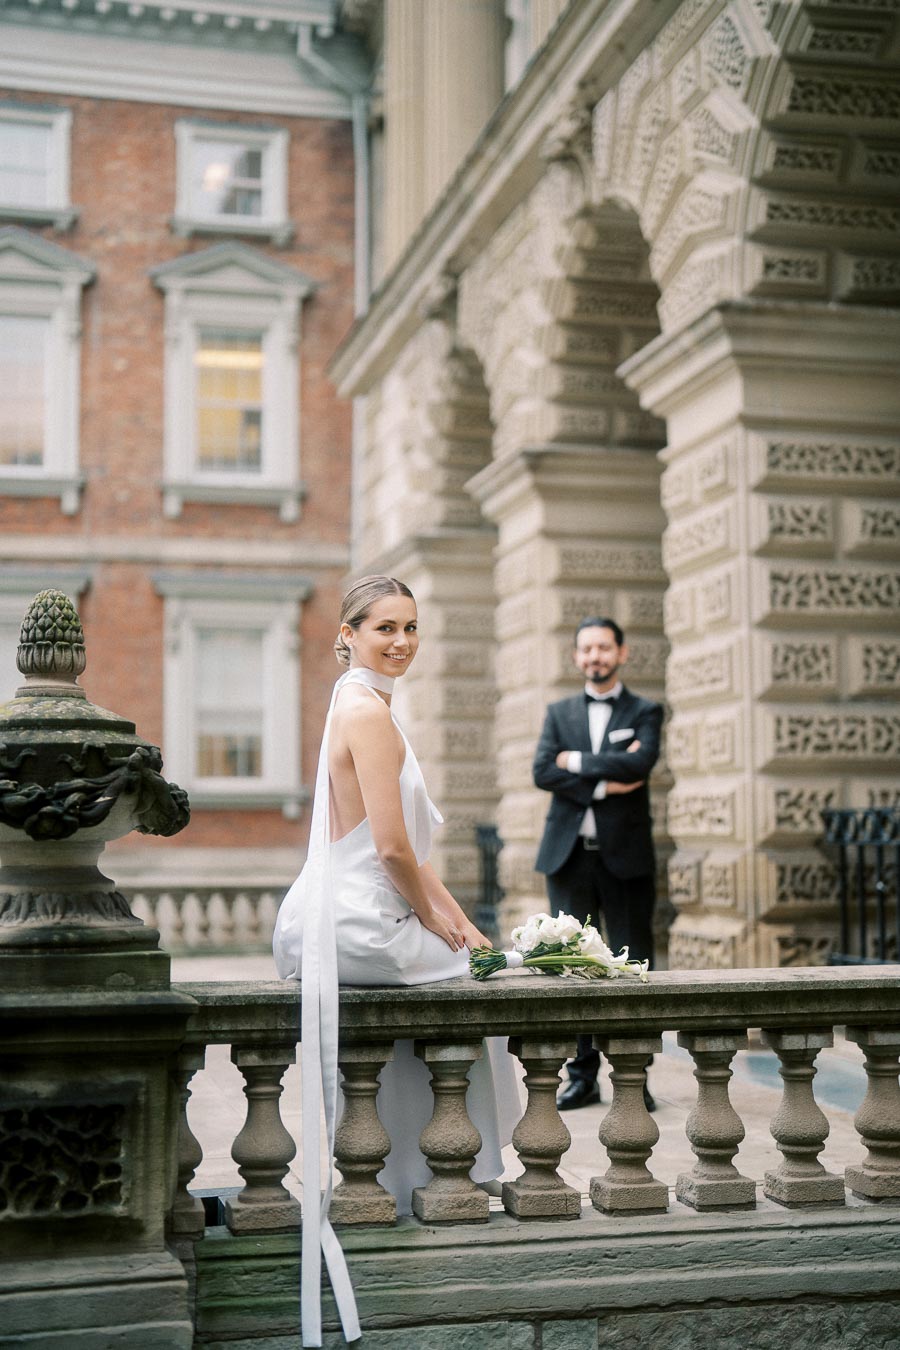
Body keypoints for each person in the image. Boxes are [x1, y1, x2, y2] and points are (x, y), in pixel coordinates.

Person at [273, 575, 520, 1349]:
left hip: (341, 911)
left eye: (412, 627)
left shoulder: (358, 704)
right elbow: (388, 850)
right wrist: (437, 927)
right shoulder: (366, 712)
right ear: (345, 634)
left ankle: (418, 1173)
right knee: (492, 999)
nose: (402, 641)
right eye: (385, 627)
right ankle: (458, 1170)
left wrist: (464, 926)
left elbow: (407, 854)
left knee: (479, 965)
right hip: (357, 923)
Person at [532, 616, 663, 1112]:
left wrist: (576, 762)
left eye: (604, 648)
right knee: (573, 968)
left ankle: (635, 1075)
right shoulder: (559, 712)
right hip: (568, 860)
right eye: (586, 649)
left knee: (631, 967)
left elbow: (641, 764)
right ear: (576, 656)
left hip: (625, 861)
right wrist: (607, 777)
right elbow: (542, 770)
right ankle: (581, 1076)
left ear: (622, 653)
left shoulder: (646, 710)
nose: (595, 657)